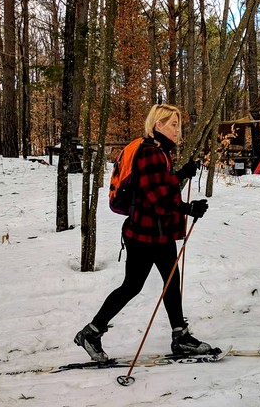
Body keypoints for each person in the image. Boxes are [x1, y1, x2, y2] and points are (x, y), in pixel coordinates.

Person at [75, 104, 212, 362]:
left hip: (157, 232)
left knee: (170, 282)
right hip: (144, 233)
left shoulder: (160, 152)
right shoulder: (149, 153)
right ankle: (91, 333)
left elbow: (160, 185)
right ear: (158, 125)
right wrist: (188, 208)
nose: (177, 130)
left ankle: (180, 336)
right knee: (132, 286)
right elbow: (157, 198)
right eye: (173, 124)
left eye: (178, 124)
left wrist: (181, 174)